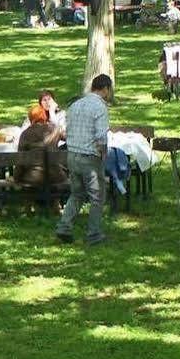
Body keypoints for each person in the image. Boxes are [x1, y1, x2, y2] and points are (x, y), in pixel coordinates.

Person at [56, 74, 112, 245]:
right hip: (90, 156)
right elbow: (101, 135)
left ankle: (64, 227)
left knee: (77, 194)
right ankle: (93, 233)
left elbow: (67, 129)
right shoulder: (100, 107)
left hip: (72, 154)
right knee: (97, 196)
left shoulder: (76, 105)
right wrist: (103, 154)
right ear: (105, 89)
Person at [14, 105, 67, 188]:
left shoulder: (26, 134)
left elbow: (20, 161)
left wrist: (16, 178)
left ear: (31, 118)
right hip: (56, 177)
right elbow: (70, 138)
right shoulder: (55, 129)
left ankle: (34, 200)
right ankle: (54, 200)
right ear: (45, 116)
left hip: (34, 178)